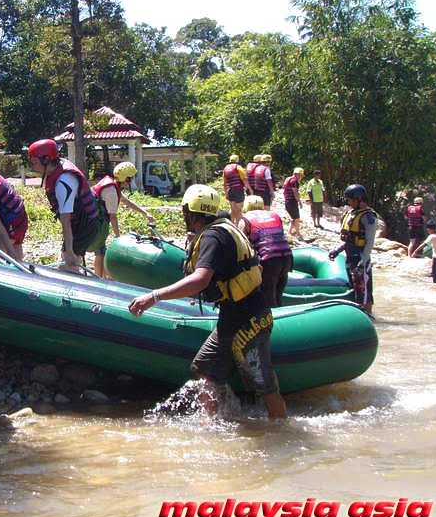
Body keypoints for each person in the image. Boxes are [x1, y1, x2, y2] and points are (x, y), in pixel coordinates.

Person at [128, 185, 286, 420]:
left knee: (265, 385)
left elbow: (201, 280)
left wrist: (154, 296)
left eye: (185, 212)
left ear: (191, 212)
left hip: (248, 321)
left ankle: (283, 430)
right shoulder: (221, 229)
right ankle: (218, 425)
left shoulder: (213, 235)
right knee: (205, 370)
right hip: (235, 317)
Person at [28, 139, 108, 273]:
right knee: (67, 258)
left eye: (34, 162)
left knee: (69, 264)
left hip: (86, 224)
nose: (33, 166)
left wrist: (70, 250)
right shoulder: (58, 166)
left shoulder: (63, 183)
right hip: (80, 221)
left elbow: (66, 220)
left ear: (46, 159)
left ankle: (74, 284)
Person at [91, 162, 156, 277]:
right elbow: (113, 217)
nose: (129, 182)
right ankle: (99, 279)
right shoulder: (111, 191)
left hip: (96, 220)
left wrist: (145, 213)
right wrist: (118, 237)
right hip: (94, 222)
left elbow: (127, 202)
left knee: (101, 251)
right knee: (100, 252)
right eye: (129, 179)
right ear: (124, 178)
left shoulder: (113, 186)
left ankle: (100, 278)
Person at [329, 184, 378, 314]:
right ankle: (355, 314)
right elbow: (349, 239)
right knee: (353, 288)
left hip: (361, 258)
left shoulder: (368, 217)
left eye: (351, 200)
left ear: (359, 199)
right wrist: (337, 250)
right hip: (350, 256)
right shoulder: (351, 213)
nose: (349, 203)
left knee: (365, 292)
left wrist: (363, 260)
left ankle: (368, 316)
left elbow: (369, 242)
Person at [238, 195, 292, 308]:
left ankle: (272, 323)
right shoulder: (274, 215)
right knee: (278, 296)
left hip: (269, 260)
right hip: (287, 258)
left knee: (268, 299)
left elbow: (241, 245)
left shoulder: (245, 219)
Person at [222, 154, 252, 223]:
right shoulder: (238, 167)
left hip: (230, 191)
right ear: (237, 160)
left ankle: (232, 224)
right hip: (238, 190)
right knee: (239, 209)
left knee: (233, 209)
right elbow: (244, 179)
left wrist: (226, 193)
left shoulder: (225, 169)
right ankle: (239, 225)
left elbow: (224, 183)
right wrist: (249, 189)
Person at [283, 167, 305, 239]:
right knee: (297, 218)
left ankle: (290, 232)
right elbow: (295, 192)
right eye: (301, 175)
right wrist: (299, 202)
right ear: (298, 174)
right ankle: (298, 234)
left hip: (287, 201)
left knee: (293, 218)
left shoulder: (288, 179)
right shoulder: (294, 181)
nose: (301, 177)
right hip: (292, 201)